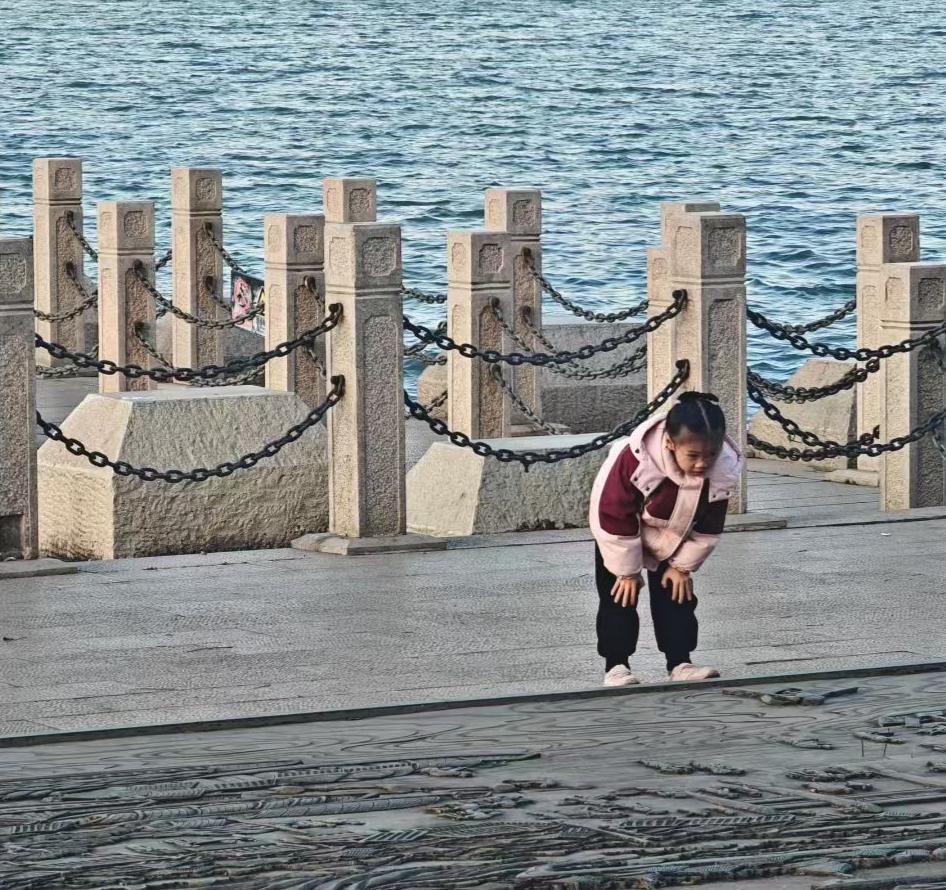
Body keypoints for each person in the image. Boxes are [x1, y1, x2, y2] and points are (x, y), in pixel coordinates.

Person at [588, 391, 744, 687]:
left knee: (677, 595)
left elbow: (710, 523)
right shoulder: (637, 459)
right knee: (619, 596)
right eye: (693, 456)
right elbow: (612, 512)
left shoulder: (723, 467)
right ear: (670, 444)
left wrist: (682, 566)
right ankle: (616, 664)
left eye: (710, 454)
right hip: (622, 530)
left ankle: (680, 661)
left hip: (677, 533)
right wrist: (627, 571)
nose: (702, 464)